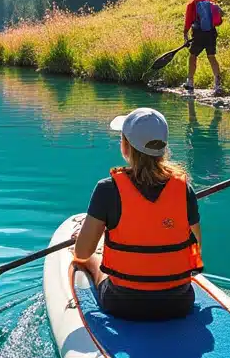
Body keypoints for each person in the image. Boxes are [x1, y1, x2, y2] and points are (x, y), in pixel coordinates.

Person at [71, 107, 203, 321]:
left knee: (87, 259)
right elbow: (195, 246)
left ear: (125, 146)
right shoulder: (184, 189)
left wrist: (91, 248)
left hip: (122, 303)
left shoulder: (107, 189)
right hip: (179, 301)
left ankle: (94, 266)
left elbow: (83, 251)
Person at [183, 0, 223, 95]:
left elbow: (188, 22)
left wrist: (185, 34)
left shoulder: (191, 5)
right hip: (211, 33)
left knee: (192, 56)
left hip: (199, 35)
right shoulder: (210, 1)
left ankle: (190, 82)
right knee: (211, 56)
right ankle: (217, 83)